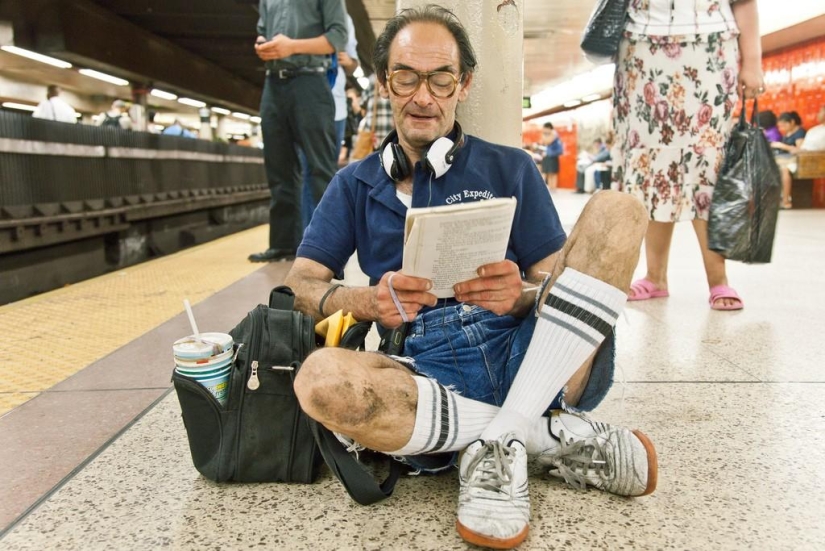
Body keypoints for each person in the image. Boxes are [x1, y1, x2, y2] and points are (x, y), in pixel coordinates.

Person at [284, 6, 657, 549]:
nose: (423, 96)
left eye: (441, 79)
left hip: (534, 350)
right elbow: (298, 285)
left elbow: (561, 282)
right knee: (318, 382)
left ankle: (495, 438)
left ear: (464, 84)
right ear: (387, 81)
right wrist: (365, 300)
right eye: (407, 77)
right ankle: (535, 435)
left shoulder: (511, 168)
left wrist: (523, 297)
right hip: (424, 370)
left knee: (620, 212)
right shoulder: (354, 184)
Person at [611, 0, 764, 311]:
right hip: (639, 47)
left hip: (710, 45)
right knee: (651, 162)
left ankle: (718, 279)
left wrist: (753, 62)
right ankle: (655, 277)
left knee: (707, 161)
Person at [248, 0, 347, 263]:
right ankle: (283, 244)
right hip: (273, 84)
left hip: (310, 81)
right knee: (278, 169)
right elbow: (263, 29)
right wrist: (263, 43)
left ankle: (329, 249)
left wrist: (292, 46)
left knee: (320, 170)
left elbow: (338, 36)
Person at [540, 121, 563, 190]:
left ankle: (553, 188)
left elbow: (547, 142)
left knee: (553, 173)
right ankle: (551, 188)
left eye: (544, 128)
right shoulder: (548, 134)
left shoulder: (553, 133)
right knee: (550, 173)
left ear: (548, 128)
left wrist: (543, 136)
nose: (543, 130)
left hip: (552, 156)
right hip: (549, 155)